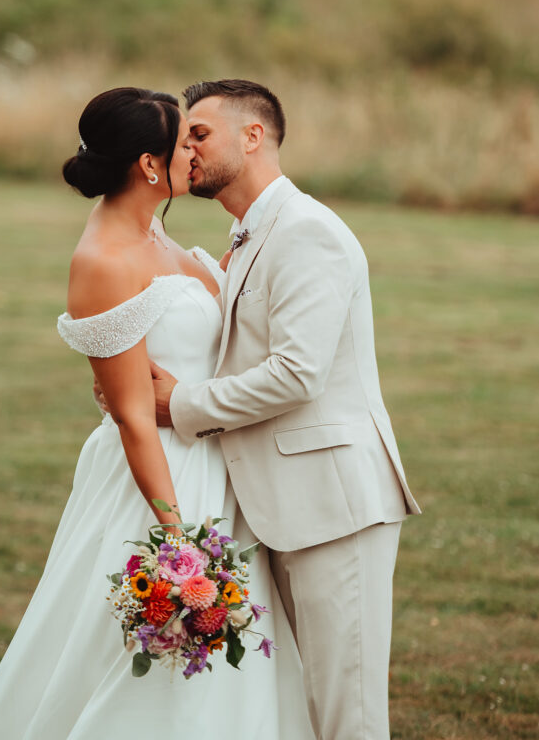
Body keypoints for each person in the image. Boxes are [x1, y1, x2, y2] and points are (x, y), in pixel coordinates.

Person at [0, 87, 313, 740]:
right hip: (161, 483)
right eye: (185, 143)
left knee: (231, 662)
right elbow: (130, 416)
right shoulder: (102, 261)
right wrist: (175, 540)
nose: (194, 153)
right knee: (151, 662)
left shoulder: (152, 229)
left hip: (216, 463)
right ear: (150, 165)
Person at [149, 79, 421, 740]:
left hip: (333, 507)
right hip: (280, 505)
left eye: (199, 134)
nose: (184, 149)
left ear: (253, 135)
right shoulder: (249, 234)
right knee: (301, 709)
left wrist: (178, 404)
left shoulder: (305, 231)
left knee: (346, 716)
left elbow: (297, 374)